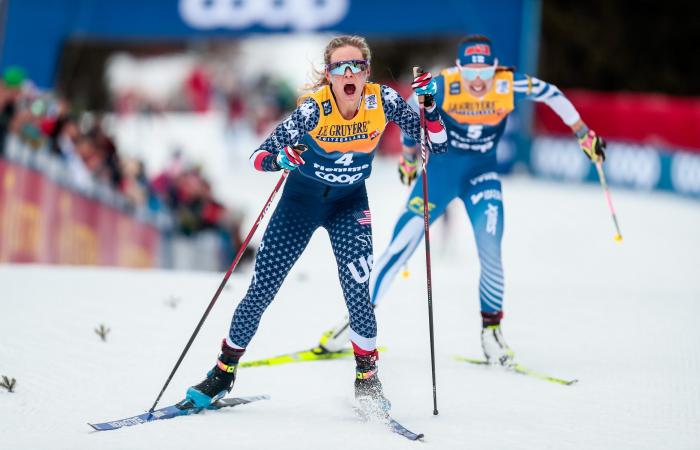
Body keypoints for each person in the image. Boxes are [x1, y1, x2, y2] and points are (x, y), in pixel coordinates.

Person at [185, 35, 447, 416]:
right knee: (262, 289)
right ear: (329, 76)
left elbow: (433, 143)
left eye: (357, 65)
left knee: (358, 288)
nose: (349, 73)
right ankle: (223, 372)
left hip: (348, 204)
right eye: (340, 67)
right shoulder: (313, 110)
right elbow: (259, 156)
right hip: (300, 204)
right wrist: (281, 160)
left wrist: (429, 107)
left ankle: (367, 380)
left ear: (367, 71)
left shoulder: (383, 100)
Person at [316, 35, 606, 366]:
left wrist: (583, 132)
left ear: (495, 69)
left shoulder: (507, 84)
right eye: (470, 73)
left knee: (490, 249)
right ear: (459, 69)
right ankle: (356, 323)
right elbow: (410, 112)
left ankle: (492, 333)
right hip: (439, 177)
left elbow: (552, 94)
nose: (478, 81)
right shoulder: (444, 85)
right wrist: (410, 156)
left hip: (481, 177)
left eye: (484, 73)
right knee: (399, 247)